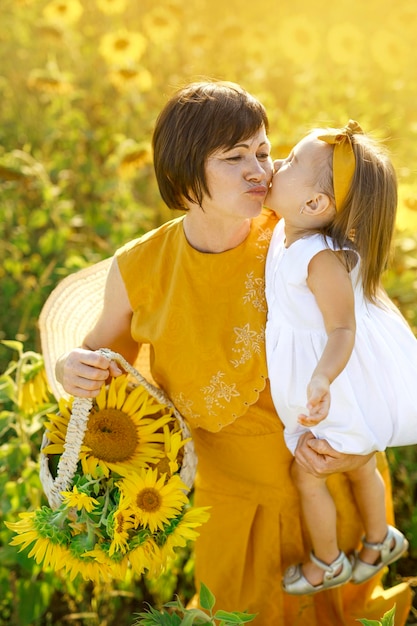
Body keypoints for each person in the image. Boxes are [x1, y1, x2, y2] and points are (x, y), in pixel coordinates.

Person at [53, 84, 411, 625]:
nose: (259, 170)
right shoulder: (142, 269)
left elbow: (372, 346)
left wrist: (360, 453)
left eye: (265, 151)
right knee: (239, 610)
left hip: (330, 473)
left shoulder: (300, 240)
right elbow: (100, 359)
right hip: (231, 496)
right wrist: (69, 367)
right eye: (234, 156)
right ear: (182, 174)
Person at [264, 120, 417, 597]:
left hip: (335, 387)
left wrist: (322, 379)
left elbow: (343, 329)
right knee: (359, 465)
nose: (273, 164)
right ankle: (378, 540)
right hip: (332, 387)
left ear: (315, 205)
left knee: (309, 473)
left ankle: (328, 561)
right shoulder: (288, 230)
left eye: (287, 162)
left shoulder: (319, 258)